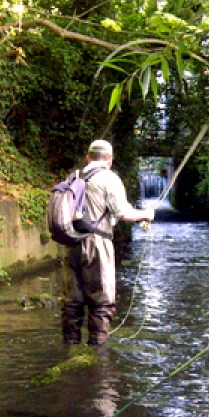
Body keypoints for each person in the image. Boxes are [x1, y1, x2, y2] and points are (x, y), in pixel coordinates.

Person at [61, 139, 155, 346]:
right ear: (110, 160)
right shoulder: (109, 179)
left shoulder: (73, 177)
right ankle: (97, 355)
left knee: (72, 304)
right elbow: (123, 214)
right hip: (97, 244)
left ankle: (69, 350)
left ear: (88, 157)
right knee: (102, 303)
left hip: (70, 244)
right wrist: (146, 215)